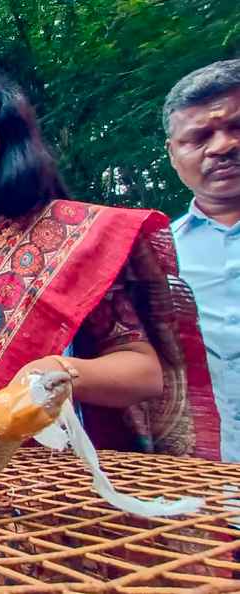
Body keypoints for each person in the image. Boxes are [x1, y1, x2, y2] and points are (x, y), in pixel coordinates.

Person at [0, 71, 220, 461]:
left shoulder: (71, 239)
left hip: (34, 467)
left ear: (11, 143)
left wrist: (53, 370)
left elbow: (143, 372)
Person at [166, 58, 240, 462]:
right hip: (204, 481)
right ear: (174, 155)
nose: (223, 146)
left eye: (236, 127)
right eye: (200, 136)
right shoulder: (156, 259)